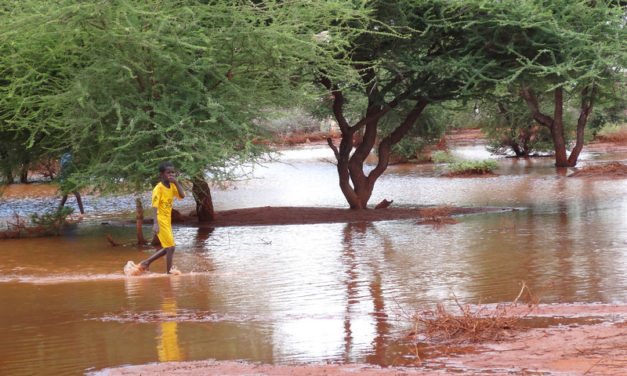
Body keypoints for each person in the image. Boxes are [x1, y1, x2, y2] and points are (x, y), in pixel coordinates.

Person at [139, 161, 185, 274]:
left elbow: (182, 196)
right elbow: (154, 206)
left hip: (167, 220)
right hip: (160, 219)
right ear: (161, 175)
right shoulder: (158, 188)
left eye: (173, 172)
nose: (171, 175)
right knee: (171, 247)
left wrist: (176, 182)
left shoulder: (172, 185)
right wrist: (155, 223)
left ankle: (146, 263)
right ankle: (168, 272)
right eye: (168, 173)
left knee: (168, 247)